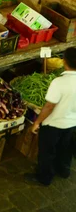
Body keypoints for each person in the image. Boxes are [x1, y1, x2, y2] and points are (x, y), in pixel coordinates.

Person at [26, 47, 76, 186]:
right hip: (72, 123)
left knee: (47, 153)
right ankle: (63, 171)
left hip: (54, 125)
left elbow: (49, 106)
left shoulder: (59, 82)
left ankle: (44, 177)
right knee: (65, 149)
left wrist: (37, 122)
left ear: (64, 62)